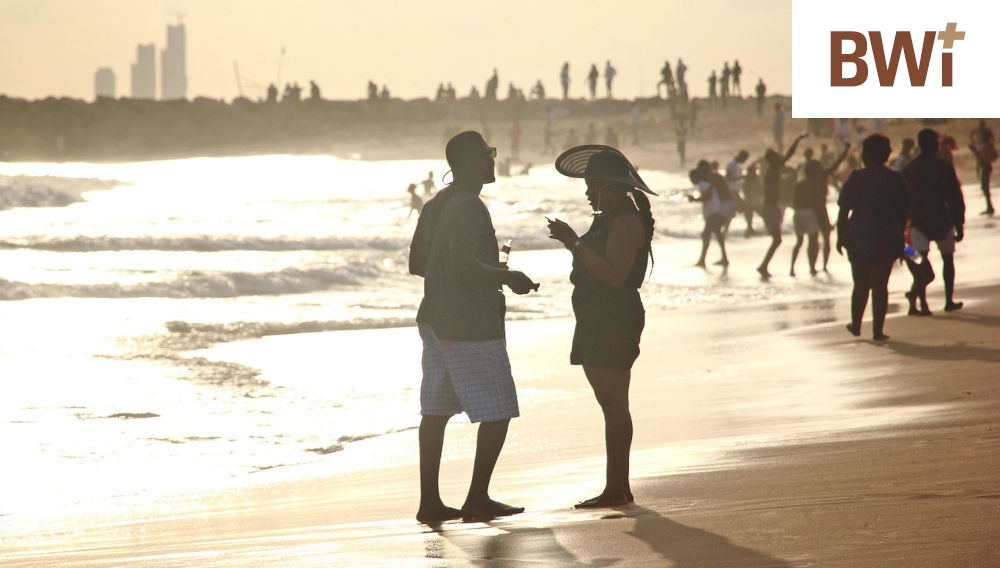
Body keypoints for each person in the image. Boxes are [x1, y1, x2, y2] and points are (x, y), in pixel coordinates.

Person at [408, 131, 537, 524]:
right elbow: (462, 264)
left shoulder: (437, 203)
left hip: (435, 318)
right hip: (467, 323)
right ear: (468, 163)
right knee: (499, 407)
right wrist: (506, 274)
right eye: (487, 154)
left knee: (435, 411)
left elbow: (419, 264)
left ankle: (429, 502)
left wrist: (476, 271)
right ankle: (477, 498)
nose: (492, 160)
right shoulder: (469, 207)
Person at [546, 145, 657, 508]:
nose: (587, 191)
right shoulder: (609, 216)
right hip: (599, 319)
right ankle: (618, 487)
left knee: (614, 406)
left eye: (592, 183)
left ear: (609, 186)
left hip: (613, 319)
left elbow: (613, 274)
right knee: (611, 404)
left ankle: (616, 489)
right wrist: (575, 243)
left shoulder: (625, 220)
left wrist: (573, 241)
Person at [836, 134, 910, 341]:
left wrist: (841, 237)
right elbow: (903, 212)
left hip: (859, 236)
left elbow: (843, 212)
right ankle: (878, 330)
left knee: (860, 284)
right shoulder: (895, 179)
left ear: (865, 155)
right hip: (887, 237)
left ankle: (856, 324)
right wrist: (900, 240)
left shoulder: (857, 178)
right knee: (880, 286)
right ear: (886, 155)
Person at [902, 128, 967, 315]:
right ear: (935, 144)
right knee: (947, 260)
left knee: (921, 262)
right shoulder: (944, 166)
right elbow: (955, 197)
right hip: (941, 220)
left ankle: (922, 303)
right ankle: (947, 301)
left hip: (919, 222)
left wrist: (901, 224)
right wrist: (959, 223)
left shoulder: (910, 169)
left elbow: (903, 200)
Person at [757, 133, 807, 277]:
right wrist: (797, 140)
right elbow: (788, 156)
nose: (780, 158)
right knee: (777, 239)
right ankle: (763, 266)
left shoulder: (771, 172)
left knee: (776, 239)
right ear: (773, 159)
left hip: (769, 207)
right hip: (770, 208)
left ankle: (764, 266)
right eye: (777, 157)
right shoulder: (773, 168)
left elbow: (779, 179)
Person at [689, 160, 731, 267]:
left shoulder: (710, 179)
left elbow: (708, 196)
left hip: (719, 209)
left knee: (706, 234)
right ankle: (724, 258)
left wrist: (695, 199)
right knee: (716, 232)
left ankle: (702, 260)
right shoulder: (711, 177)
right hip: (723, 207)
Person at [969, 119, 996, 215]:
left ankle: (990, 207)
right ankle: (989, 206)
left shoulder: (984, 148)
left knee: (985, 186)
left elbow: (981, 158)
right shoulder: (986, 146)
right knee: (985, 186)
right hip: (985, 165)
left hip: (985, 166)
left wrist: (974, 149)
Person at [725, 150, 753, 236]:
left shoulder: (738, 166)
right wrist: (740, 177)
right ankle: (749, 229)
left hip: (735, 192)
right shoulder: (731, 164)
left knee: (731, 213)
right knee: (747, 209)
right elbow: (727, 178)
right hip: (731, 192)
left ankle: (724, 232)